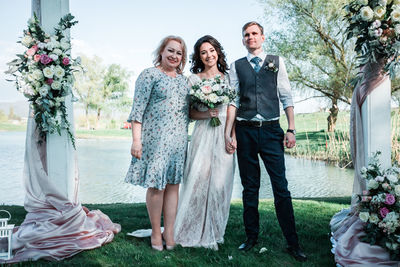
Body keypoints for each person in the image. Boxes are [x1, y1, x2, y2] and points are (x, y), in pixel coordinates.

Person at [226, 22, 307, 261]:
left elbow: (286, 95)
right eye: (246, 35)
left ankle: (293, 243)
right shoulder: (236, 66)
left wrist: (291, 129)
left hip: (272, 131)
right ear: (243, 40)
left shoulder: (276, 62)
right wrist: (230, 133)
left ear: (262, 37)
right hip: (245, 131)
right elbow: (233, 101)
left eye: (254, 34)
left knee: (281, 187)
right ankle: (251, 237)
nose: (250, 38)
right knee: (250, 188)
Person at [125, 36, 189, 251]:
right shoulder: (149, 75)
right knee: (156, 187)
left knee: (173, 186)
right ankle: (155, 232)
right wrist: (136, 140)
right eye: (170, 51)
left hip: (179, 142)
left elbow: (188, 112)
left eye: (179, 53)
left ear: (183, 57)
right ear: (161, 51)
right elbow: (137, 110)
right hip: (155, 140)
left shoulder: (184, 80)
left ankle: (169, 232)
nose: (174, 56)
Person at [174, 35, 236, 250]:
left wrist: (232, 136)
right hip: (203, 133)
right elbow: (188, 112)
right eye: (203, 52)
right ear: (198, 57)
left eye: (211, 50)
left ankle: (215, 230)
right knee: (198, 180)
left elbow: (232, 110)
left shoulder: (228, 78)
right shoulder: (194, 80)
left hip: (224, 134)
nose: (209, 55)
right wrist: (207, 114)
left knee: (220, 184)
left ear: (217, 51)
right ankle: (189, 228)